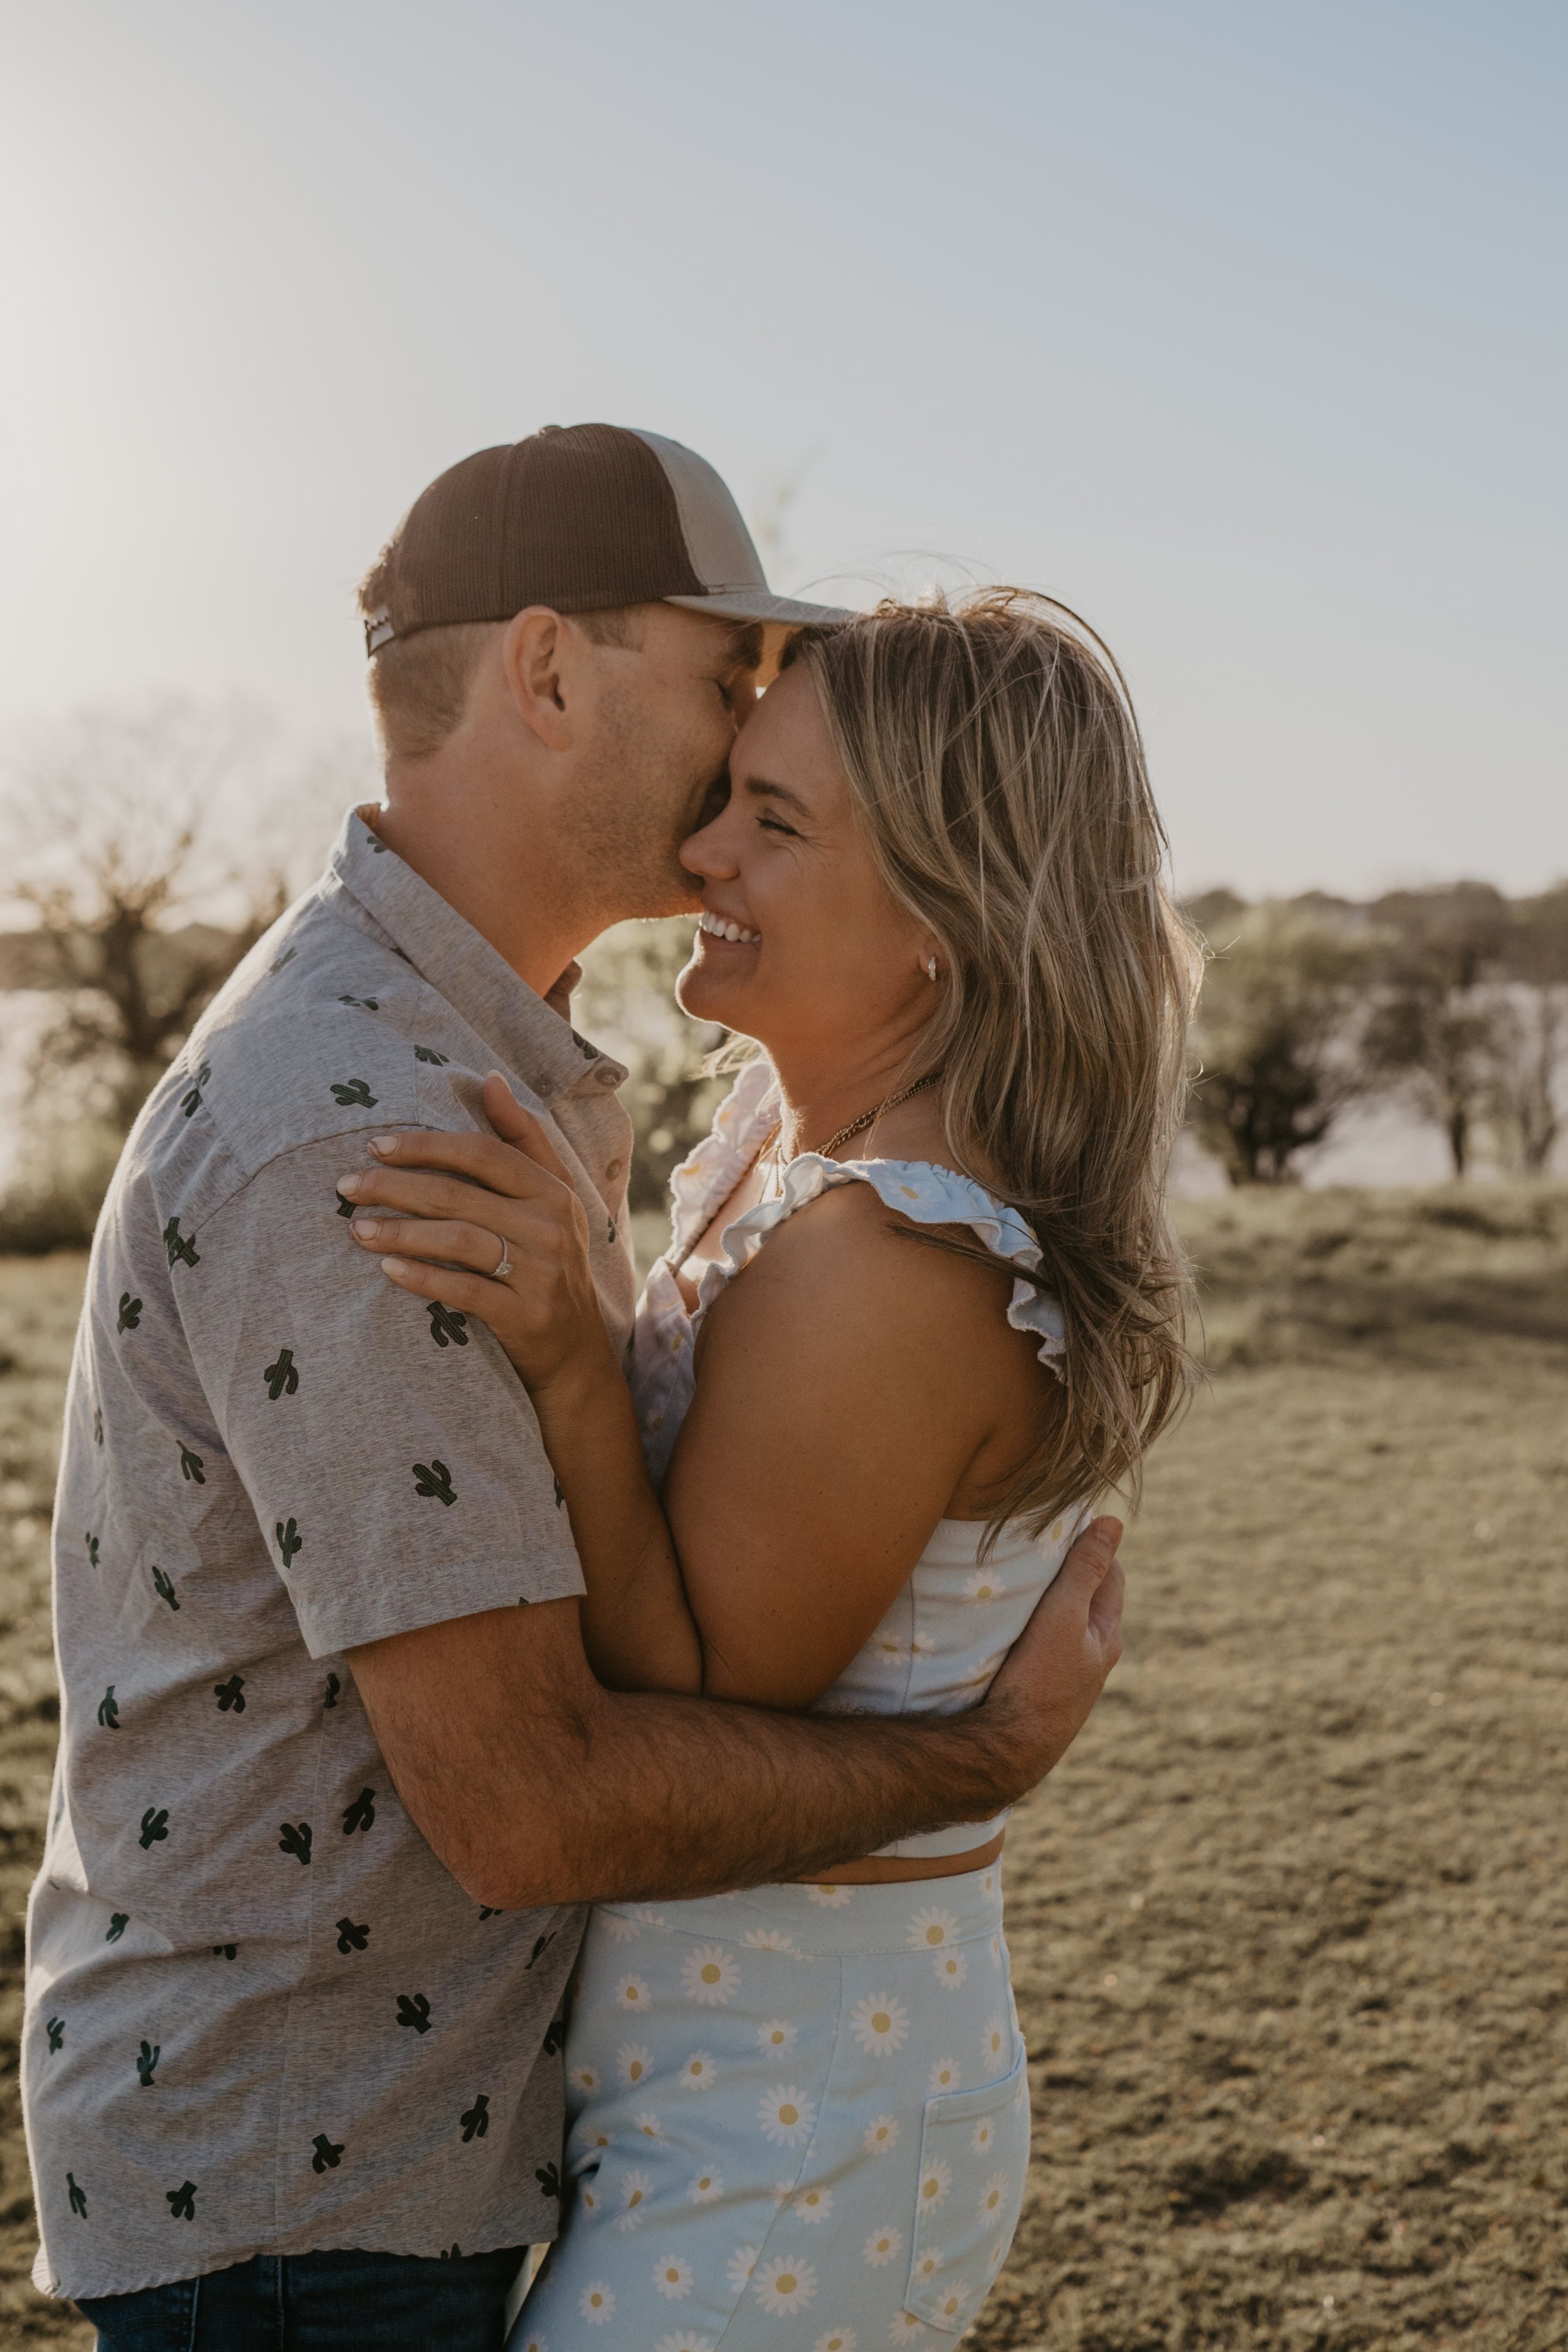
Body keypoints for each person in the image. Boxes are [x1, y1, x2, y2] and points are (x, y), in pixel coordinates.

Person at [23, 424, 1127, 2352]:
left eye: (776, 789)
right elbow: (535, 1807)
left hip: (438, 2142)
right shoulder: (352, 1132)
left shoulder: (485, 1074)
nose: (727, 774)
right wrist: (973, 1765)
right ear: (545, 672)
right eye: (725, 686)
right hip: (312, 2176)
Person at [335, 586, 1196, 2349]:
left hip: (798, 2127)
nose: (701, 846)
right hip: (718, 2090)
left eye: (775, 821)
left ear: (943, 923)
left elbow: (688, 1685)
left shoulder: (882, 1264)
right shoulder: (790, 1153)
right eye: (731, 785)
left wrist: (575, 1356)